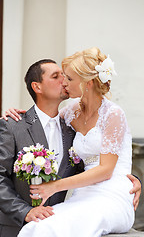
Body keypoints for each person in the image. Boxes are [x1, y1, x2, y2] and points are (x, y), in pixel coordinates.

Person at [15, 47, 139, 237]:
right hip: (83, 196)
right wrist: (18, 116)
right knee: (38, 226)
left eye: (69, 78)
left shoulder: (113, 114)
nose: (64, 82)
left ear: (87, 83)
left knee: (63, 227)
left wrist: (54, 186)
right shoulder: (71, 113)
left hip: (113, 196)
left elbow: (106, 170)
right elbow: (45, 119)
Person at [0, 59, 83, 237]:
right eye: (56, 76)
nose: (64, 79)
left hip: (52, 229)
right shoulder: (13, 125)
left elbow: (91, 168)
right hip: (10, 230)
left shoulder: (73, 131)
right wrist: (25, 212)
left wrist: (128, 178)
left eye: (64, 74)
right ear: (37, 87)